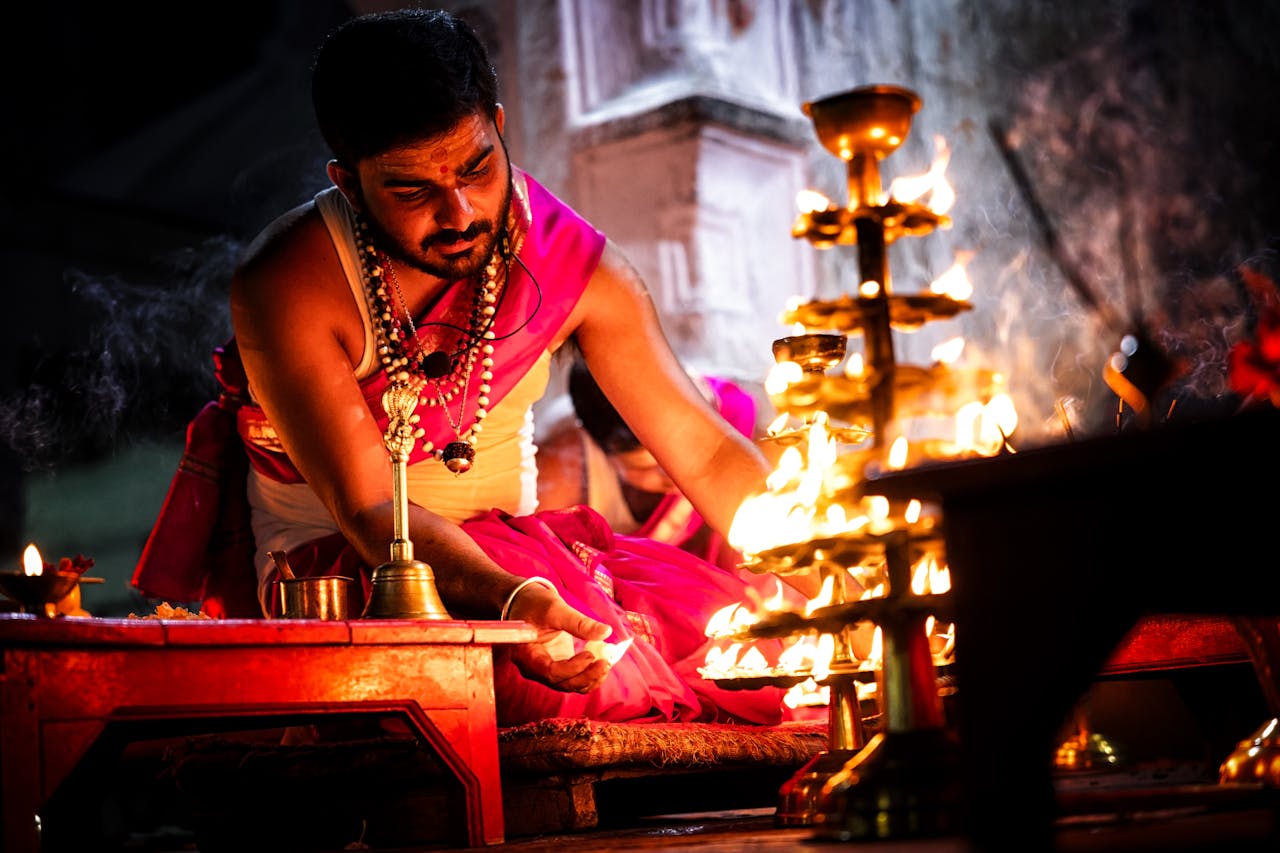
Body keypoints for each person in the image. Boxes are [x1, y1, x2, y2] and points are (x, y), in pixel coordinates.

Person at [133, 7, 812, 727]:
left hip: (541, 559)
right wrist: (516, 601)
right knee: (549, 684)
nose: (458, 212)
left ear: (498, 123)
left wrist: (830, 572)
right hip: (361, 574)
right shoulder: (289, 284)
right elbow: (368, 512)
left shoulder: (567, 259)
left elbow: (704, 450)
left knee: (771, 641)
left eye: (477, 166)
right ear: (348, 181)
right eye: (411, 190)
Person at [537, 358, 761, 574]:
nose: (676, 474)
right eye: (648, 467)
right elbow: (555, 569)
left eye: (685, 450)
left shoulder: (711, 411)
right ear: (602, 451)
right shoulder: (559, 474)